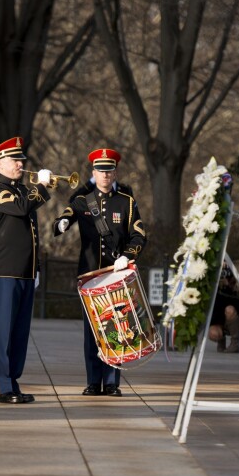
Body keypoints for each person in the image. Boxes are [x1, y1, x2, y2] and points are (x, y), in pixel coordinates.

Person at [53, 147, 147, 397]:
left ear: (115, 172)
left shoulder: (126, 202)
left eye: (109, 170)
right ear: (93, 172)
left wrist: (128, 255)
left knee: (117, 326)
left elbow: (139, 234)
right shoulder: (83, 200)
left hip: (116, 274)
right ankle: (93, 381)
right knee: (92, 330)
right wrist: (61, 224)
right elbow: (65, 217)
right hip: (90, 276)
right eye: (101, 170)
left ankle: (112, 382)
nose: (105, 175)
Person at [0, 137, 52, 404]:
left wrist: (36, 268)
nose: (21, 164)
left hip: (24, 271)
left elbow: (32, 234)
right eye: (15, 160)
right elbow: (22, 209)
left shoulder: (23, 191)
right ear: (1, 164)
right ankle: (0, 387)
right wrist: (42, 187)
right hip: (5, 271)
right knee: (2, 334)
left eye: (21, 160)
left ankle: (12, 382)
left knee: (19, 333)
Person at [208, 262, 239, 353]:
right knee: (213, 334)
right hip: (218, 319)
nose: (228, 275)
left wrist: (230, 286)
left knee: (229, 309)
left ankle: (235, 343)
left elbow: (237, 302)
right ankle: (221, 340)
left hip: (233, 320)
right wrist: (219, 282)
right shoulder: (219, 284)